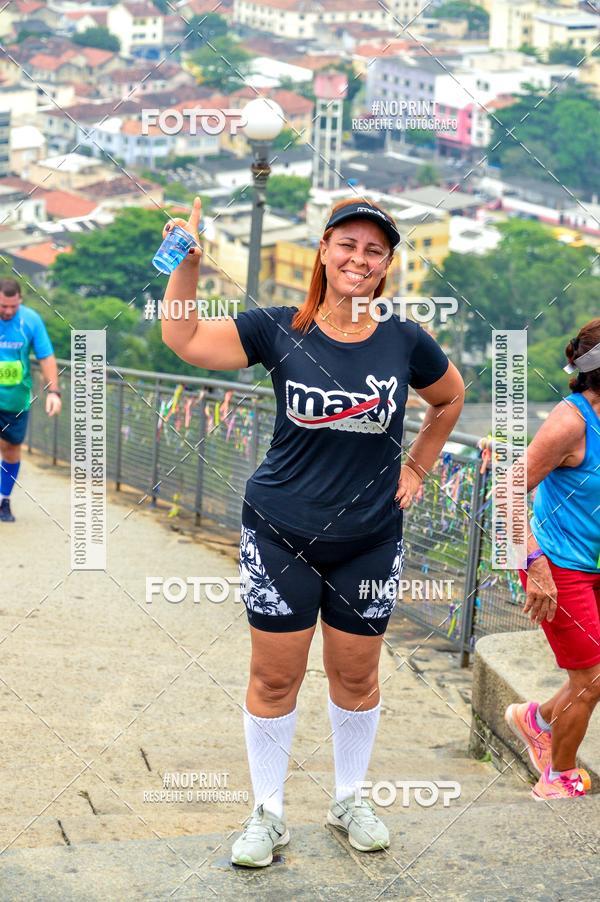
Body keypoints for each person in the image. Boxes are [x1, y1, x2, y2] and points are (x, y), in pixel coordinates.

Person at [160, 196, 465, 866]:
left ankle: (348, 798)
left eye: (374, 250)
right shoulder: (279, 329)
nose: (359, 259)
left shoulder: (404, 337)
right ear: (324, 251)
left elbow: (450, 397)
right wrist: (186, 266)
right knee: (275, 679)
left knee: (355, 677)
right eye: (347, 245)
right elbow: (183, 341)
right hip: (280, 531)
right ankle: (267, 814)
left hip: (369, 537)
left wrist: (418, 463)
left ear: (386, 266)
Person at [505, 318, 600, 800]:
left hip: (596, 562)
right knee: (590, 678)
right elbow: (508, 489)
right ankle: (558, 776)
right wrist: (535, 563)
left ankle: (537, 719)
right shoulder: (571, 421)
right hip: (559, 563)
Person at [0, 277, 61, 522]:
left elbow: (46, 357)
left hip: (16, 400)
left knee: (12, 449)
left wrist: (54, 392)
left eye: (13, 306)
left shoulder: (30, 320)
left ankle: (3, 500)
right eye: (3, 306)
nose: (8, 311)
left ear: (20, 301)